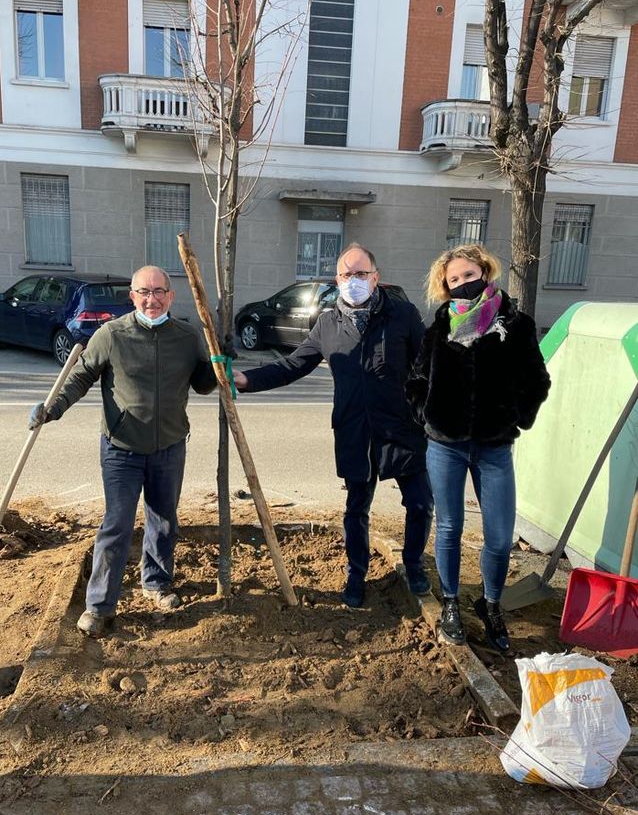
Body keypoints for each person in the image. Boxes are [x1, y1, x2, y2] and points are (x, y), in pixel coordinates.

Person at [233, 242, 433, 609]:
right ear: (336, 280)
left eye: (360, 274)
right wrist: (246, 380)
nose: (353, 280)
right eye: (346, 274)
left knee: (420, 503)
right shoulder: (327, 322)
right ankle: (356, 574)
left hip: (402, 429)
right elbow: (294, 364)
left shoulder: (402, 315)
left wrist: (428, 410)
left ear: (376, 278)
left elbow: (427, 366)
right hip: (355, 430)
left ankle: (414, 565)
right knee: (357, 507)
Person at [28, 265, 217, 638]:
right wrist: (53, 408)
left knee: (164, 520)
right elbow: (80, 376)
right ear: (132, 297)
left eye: (159, 291)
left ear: (170, 295)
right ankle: (99, 606)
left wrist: (218, 357)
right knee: (116, 526)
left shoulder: (187, 336)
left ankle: (157, 584)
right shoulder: (112, 335)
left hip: (169, 446)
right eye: (143, 292)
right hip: (122, 450)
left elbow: (204, 385)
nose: (152, 299)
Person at [406, 244, 550, 652]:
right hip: (445, 446)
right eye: (454, 280)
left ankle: (490, 603)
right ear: (445, 288)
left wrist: (517, 417)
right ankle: (451, 601)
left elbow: (537, 380)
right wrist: (426, 415)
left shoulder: (515, 325)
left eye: (469, 275)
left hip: (494, 446)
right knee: (449, 528)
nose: (463, 284)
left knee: (500, 537)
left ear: (485, 272)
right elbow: (415, 382)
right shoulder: (439, 330)